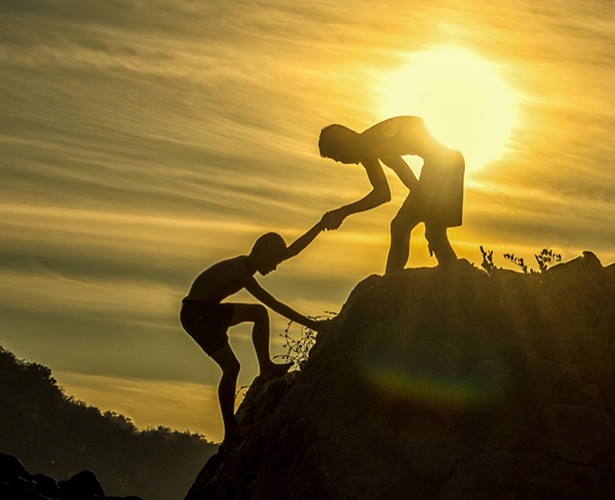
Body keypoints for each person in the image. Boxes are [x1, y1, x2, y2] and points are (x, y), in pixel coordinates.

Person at [180, 217, 332, 442]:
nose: (275, 267)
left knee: (258, 314)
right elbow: (275, 304)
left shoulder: (248, 265)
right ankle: (231, 429)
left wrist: (321, 225)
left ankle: (266, 367)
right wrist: (314, 325)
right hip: (198, 316)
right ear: (263, 254)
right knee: (231, 368)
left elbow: (293, 251)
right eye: (273, 262)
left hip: (208, 311)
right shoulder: (240, 272)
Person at [318, 116, 465, 273]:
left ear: (343, 145)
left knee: (402, 227)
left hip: (442, 167)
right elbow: (404, 172)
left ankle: (391, 282)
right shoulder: (371, 142)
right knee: (433, 234)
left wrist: (343, 212)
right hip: (448, 163)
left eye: (339, 158)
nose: (344, 162)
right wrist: (425, 208)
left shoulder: (365, 146)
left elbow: (382, 194)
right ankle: (455, 279)